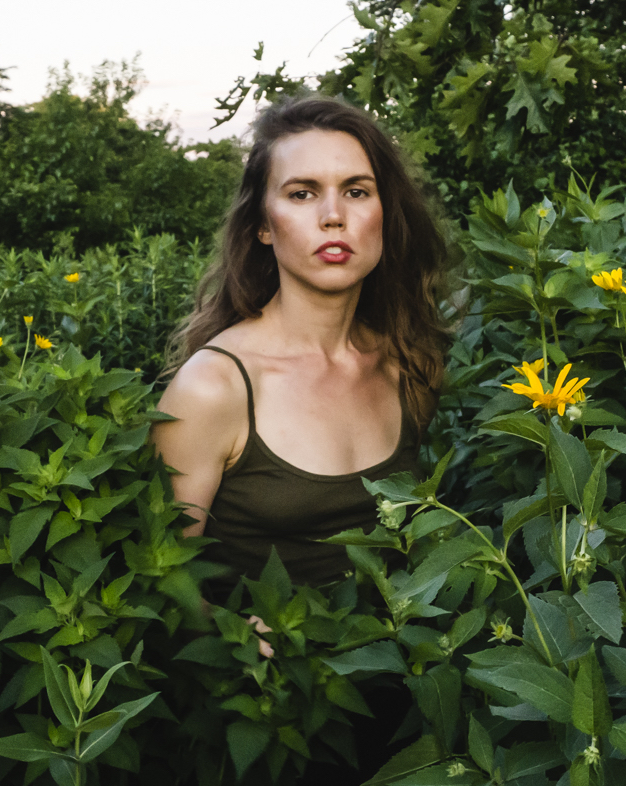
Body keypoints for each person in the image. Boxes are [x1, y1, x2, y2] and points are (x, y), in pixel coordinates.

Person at [153, 94, 452, 599]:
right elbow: (160, 579)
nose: (334, 216)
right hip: (262, 674)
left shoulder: (410, 364)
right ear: (263, 225)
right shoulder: (212, 388)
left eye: (357, 191)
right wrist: (236, 634)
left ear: (385, 212)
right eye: (302, 194)